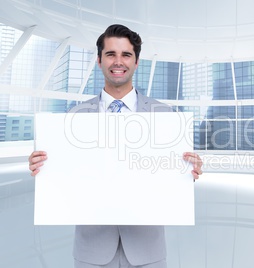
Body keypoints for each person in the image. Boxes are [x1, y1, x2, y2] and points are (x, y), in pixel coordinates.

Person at [28, 24, 203, 268]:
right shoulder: (74, 116)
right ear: (99, 61)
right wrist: (42, 167)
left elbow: (169, 178)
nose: (118, 61)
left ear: (136, 61)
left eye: (126, 55)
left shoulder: (164, 115)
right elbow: (64, 175)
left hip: (147, 250)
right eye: (110, 54)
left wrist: (186, 172)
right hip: (92, 251)